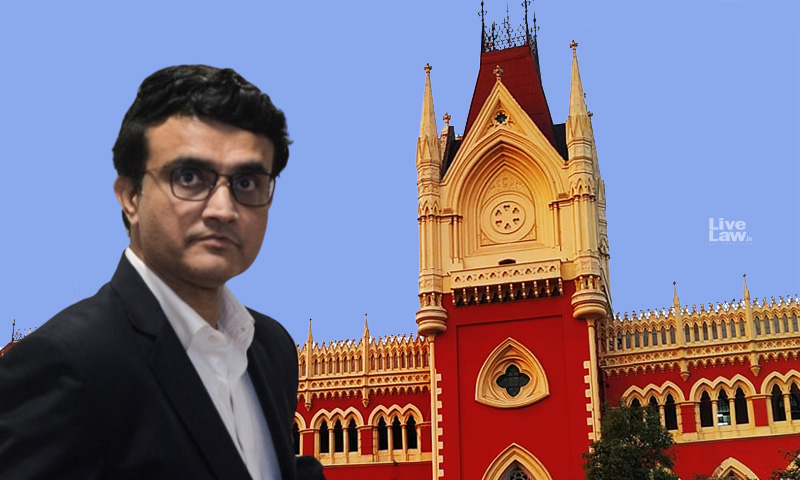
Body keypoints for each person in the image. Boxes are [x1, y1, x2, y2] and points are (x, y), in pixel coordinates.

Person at [0, 65, 324, 480]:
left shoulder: (271, 349)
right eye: (189, 177)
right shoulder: (66, 364)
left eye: (246, 182)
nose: (223, 209)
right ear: (130, 197)